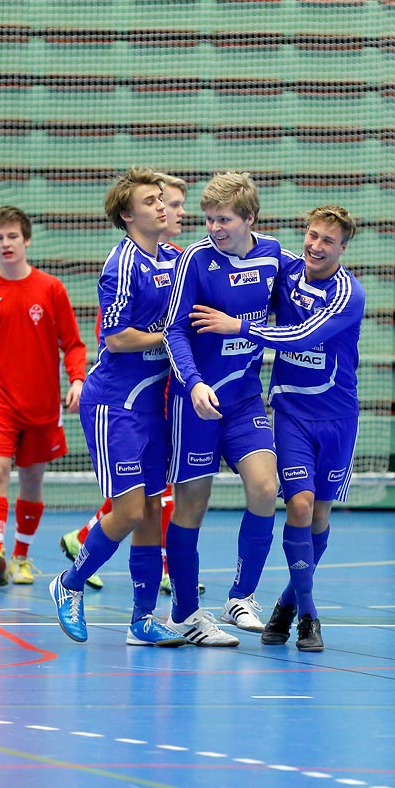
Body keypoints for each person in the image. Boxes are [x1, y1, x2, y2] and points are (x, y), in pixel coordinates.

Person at [189, 206, 364, 653]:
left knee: (319, 515)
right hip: (289, 412)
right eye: (312, 236)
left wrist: (239, 327)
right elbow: (251, 257)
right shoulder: (285, 270)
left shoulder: (348, 294)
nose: (316, 246)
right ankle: (309, 615)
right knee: (300, 506)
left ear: (343, 248)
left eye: (327, 241)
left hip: (338, 418)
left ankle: (286, 603)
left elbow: (303, 336)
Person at [46, 168, 186, 648]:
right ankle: (69, 584)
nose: (162, 207)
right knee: (127, 510)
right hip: (115, 404)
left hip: (153, 406)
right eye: (151, 201)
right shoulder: (122, 263)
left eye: (163, 199)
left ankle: (143, 620)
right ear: (128, 215)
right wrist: (169, 339)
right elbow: (115, 336)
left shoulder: (170, 256)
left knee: (151, 511)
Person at [160, 171, 284, 646]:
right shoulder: (195, 261)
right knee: (192, 504)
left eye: (225, 220)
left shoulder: (275, 256)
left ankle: (241, 597)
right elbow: (174, 332)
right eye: (209, 219)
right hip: (197, 403)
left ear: (250, 218)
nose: (215, 228)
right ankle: (186, 613)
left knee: (264, 486)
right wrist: (192, 384)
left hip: (245, 398)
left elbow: (302, 293)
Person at [0, 206, 86, 589]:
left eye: (12, 237)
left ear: (26, 240)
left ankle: (21, 557)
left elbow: (73, 344)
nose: (6, 244)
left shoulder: (51, 289)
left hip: (41, 406)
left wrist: (78, 379)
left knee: (31, 483)